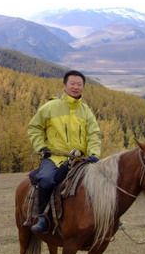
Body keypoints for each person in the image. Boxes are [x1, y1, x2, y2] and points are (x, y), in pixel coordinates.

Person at [26, 69, 102, 233]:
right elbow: (34, 128)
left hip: (81, 160)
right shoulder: (50, 107)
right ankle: (42, 217)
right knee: (46, 179)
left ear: (83, 87)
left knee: (103, 181)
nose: (76, 87)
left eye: (79, 84)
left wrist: (94, 154)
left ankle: (104, 218)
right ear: (64, 85)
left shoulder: (86, 111)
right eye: (72, 83)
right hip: (55, 157)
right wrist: (41, 147)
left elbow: (94, 134)